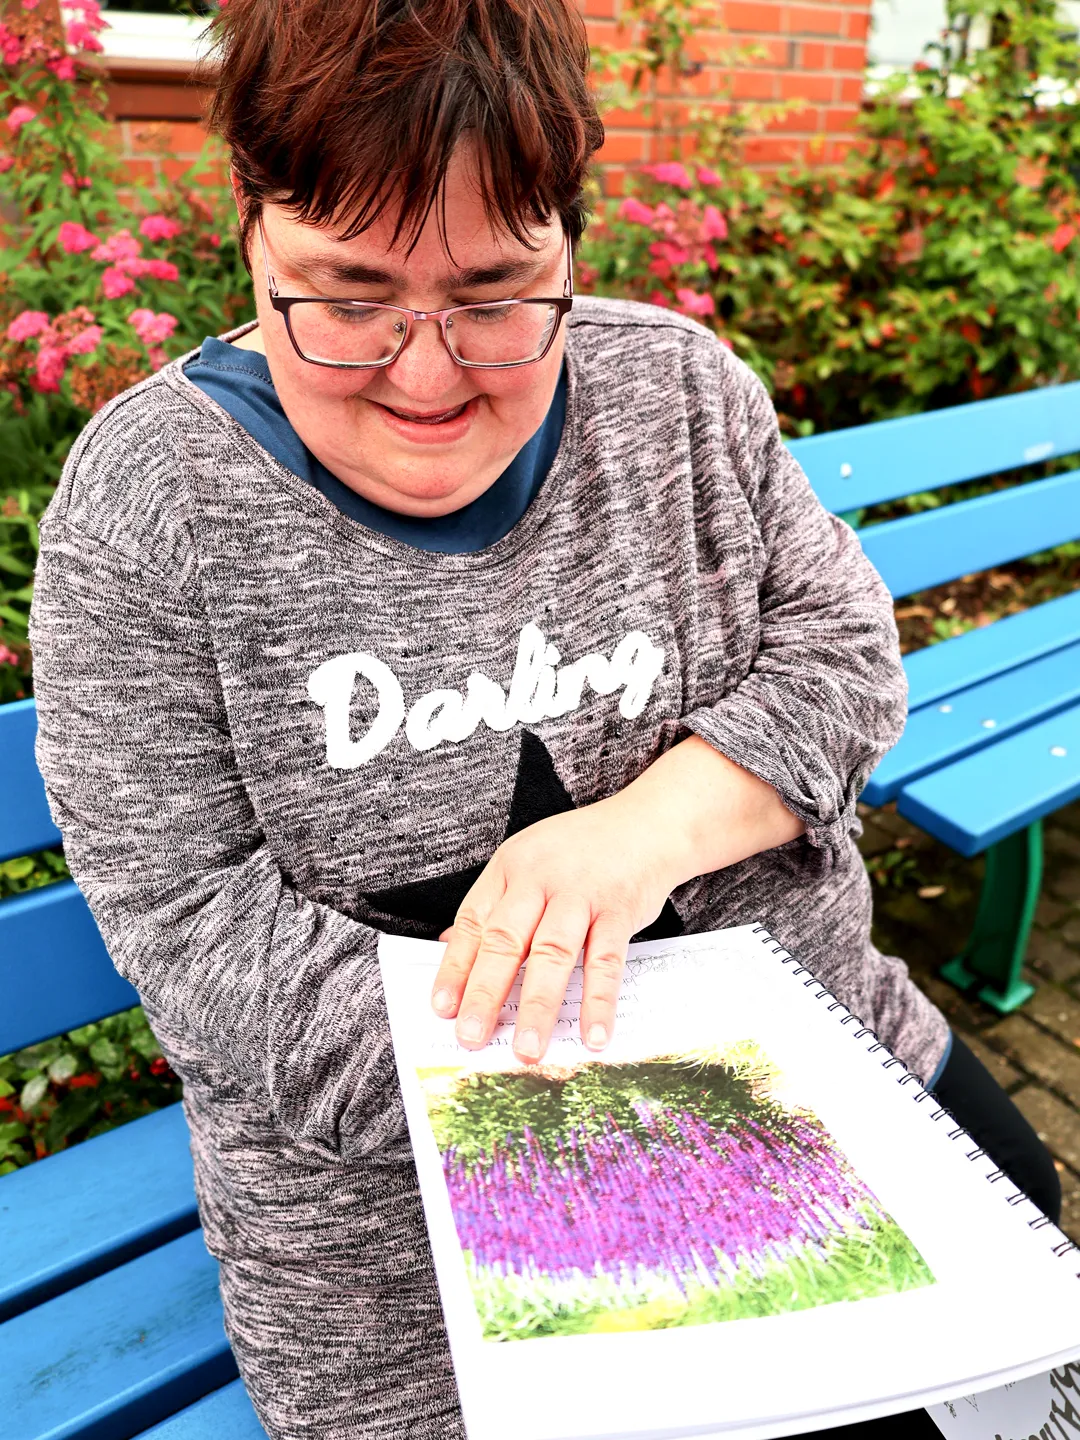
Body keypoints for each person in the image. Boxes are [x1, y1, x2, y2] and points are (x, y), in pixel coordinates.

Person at [26, 1, 1060, 1436]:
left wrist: (633, 838)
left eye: (499, 294)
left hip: (841, 1068)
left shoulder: (680, 396)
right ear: (247, 229)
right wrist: (695, 1129)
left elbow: (844, 654)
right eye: (346, 296)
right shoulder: (148, 512)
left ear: (570, 239)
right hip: (402, 1240)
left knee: (1031, 1228)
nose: (429, 378)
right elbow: (201, 930)